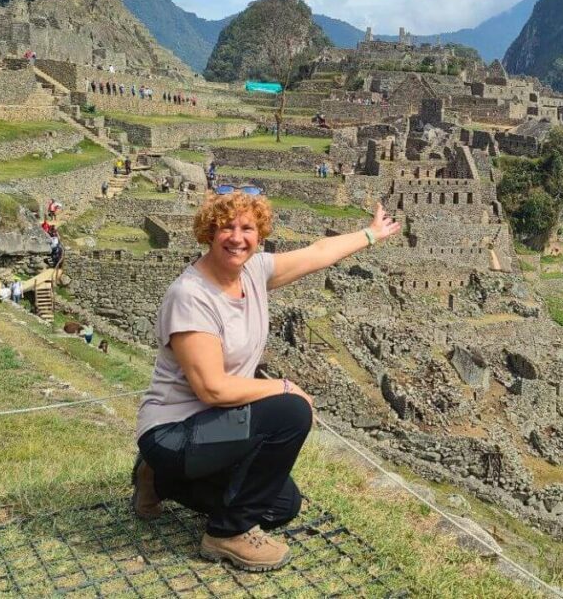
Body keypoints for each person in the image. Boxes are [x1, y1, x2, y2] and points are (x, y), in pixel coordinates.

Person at [133, 192, 400, 571]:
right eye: (227, 227)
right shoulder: (190, 296)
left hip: (218, 427)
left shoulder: (253, 273)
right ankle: (226, 533)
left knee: (280, 506)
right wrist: (284, 387)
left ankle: (158, 481)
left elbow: (318, 253)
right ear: (209, 232)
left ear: (260, 236)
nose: (237, 237)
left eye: (248, 228)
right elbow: (213, 388)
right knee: (289, 411)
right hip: (174, 432)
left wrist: (371, 233)